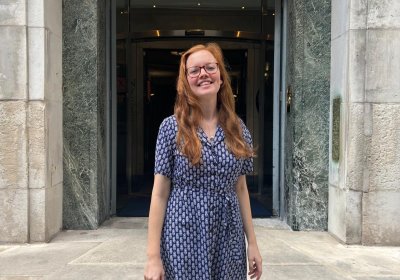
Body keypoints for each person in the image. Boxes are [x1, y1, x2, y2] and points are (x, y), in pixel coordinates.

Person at [144, 42, 262, 280]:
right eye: (194, 70)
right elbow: (159, 194)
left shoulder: (238, 129)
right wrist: (152, 257)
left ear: (220, 78)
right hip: (182, 234)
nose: (203, 74)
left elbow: (240, 188)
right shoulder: (170, 128)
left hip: (228, 235)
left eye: (210, 67)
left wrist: (253, 244)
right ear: (185, 81)